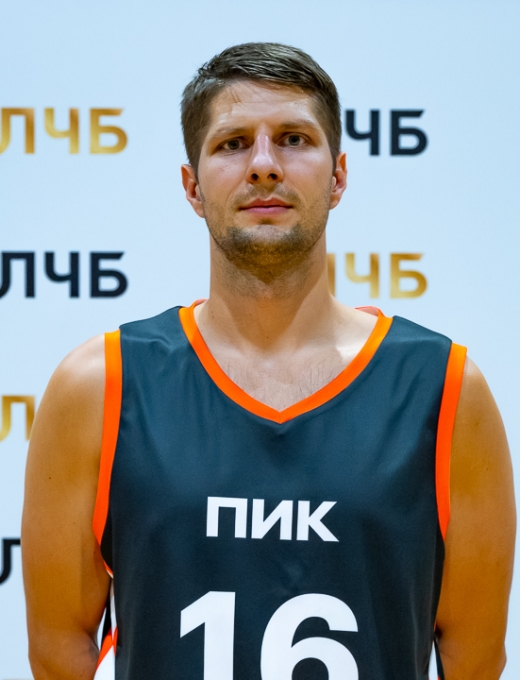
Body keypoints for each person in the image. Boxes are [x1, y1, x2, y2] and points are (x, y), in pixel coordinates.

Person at [22, 42, 515, 680]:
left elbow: (473, 659)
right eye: (232, 144)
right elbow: (59, 651)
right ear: (191, 186)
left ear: (338, 176)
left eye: (293, 139)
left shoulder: (445, 388)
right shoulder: (99, 385)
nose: (262, 165)